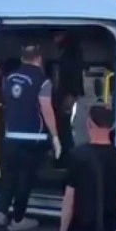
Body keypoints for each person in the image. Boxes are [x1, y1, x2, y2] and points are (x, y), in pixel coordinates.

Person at [0, 45, 60, 231]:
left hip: (10, 136)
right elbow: (46, 109)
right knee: (25, 179)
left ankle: (0, 213)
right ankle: (18, 219)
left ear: (22, 58)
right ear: (39, 59)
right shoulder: (43, 81)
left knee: (9, 176)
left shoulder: (9, 78)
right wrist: (55, 136)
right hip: (32, 138)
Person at [52, 30, 85, 159]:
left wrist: (72, 94)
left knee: (65, 127)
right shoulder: (68, 52)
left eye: (57, 36)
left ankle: (67, 157)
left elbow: (74, 75)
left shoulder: (72, 54)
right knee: (63, 126)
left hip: (67, 94)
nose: (55, 40)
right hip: (65, 93)